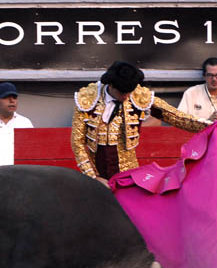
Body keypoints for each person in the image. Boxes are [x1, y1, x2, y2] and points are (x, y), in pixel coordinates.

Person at [71, 61, 209, 186]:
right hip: (96, 171)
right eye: (122, 92)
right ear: (110, 85)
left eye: (129, 92)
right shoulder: (88, 99)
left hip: (128, 172)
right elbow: (77, 141)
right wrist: (93, 177)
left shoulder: (138, 95)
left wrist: (207, 126)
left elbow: (174, 116)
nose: (126, 96)